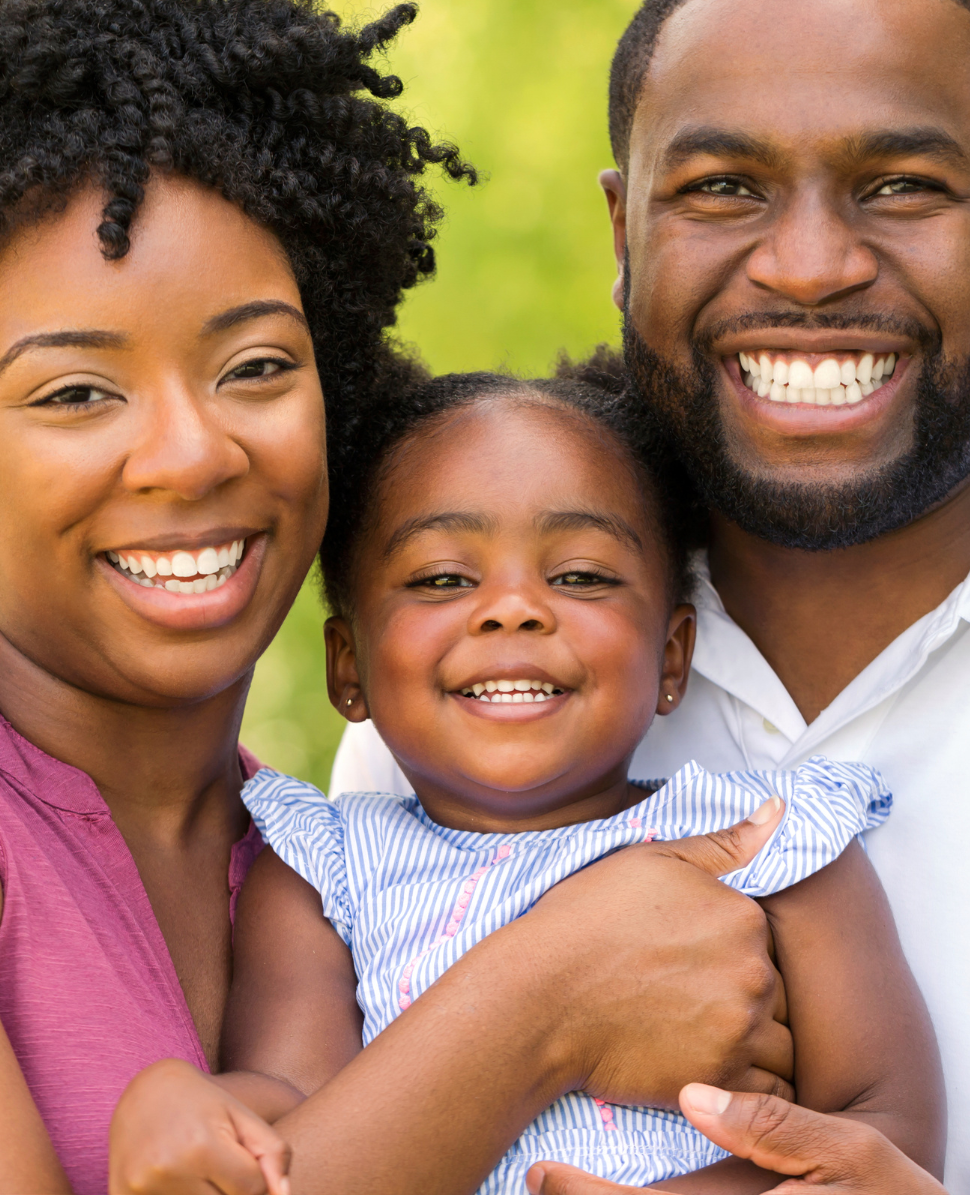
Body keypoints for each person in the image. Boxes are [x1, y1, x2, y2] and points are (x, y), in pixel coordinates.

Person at [0, 0, 815, 1195]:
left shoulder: (341, 851)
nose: (192, 452)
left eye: (256, 364)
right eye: (76, 392)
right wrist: (549, 997)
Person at [332, 0, 970, 1190]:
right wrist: (550, 989)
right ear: (624, 236)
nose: (805, 265)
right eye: (723, 186)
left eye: (903, 183)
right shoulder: (462, 700)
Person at [108, 355, 941, 1192]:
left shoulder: (775, 849)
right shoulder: (325, 878)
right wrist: (176, 1102)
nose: (513, 607)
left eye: (580, 575)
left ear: (672, 657)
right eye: (442, 578)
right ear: (347, 667)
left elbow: (884, 1129)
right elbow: (301, 1119)